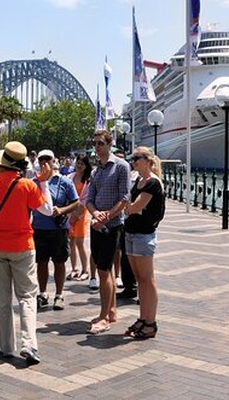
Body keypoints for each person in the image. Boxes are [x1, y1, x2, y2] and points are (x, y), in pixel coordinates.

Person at [0, 141, 53, 365]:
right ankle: (29, 343)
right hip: (23, 246)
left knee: (3, 298)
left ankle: (6, 346)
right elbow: (47, 210)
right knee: (27, 297)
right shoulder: (28, 185)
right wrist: (44, 184)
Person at [85, 130, 131, 335]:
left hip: (113, 225)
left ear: (110, 144)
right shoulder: (96, 171)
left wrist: (107, 216)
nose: (97, 147)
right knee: (106, 269)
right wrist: (96, 215)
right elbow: (89, 200)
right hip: (97, 224)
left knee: (104, 271)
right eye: (95, 143)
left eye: (101, 143)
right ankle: (110, 311)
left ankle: (104, 318)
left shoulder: (121, 166)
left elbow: (125, 198)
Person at [123, 147, 165, 340]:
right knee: (139, 279)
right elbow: (130, 206)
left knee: (148, 279)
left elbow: (135, 206)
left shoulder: (153, 183)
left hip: (143, 234)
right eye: (133, 158)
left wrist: (129, 208)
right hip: (131, 232)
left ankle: (151, 322)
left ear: (148, 160)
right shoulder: (138, 181)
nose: (134, 161)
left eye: (137, 158)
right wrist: (129, 207)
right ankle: (143, 317)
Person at [31, 149, 79, 311]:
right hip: (39, 228)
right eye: (41, 159)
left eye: (48, 159)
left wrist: (63, 210)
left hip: (59, 229)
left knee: (59, 261)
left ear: (54, 161)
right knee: (41, 262)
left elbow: (75, 202)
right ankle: (43, 293)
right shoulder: (34, 182)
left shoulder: (64, 181)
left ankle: (59, 295)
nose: (45, 162)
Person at [67, 155, 92, 282]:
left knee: (79, 242)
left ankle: (85, 270)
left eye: (82, 164)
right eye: (78, 163)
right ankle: (74, 269)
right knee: (71, 241)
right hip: (69, 212)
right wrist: (70, 214)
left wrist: (77, 214)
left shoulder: (88, 180)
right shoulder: (69, 177)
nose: (79, 165)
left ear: (86, 166)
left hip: (82, 213)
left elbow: (86, 199)